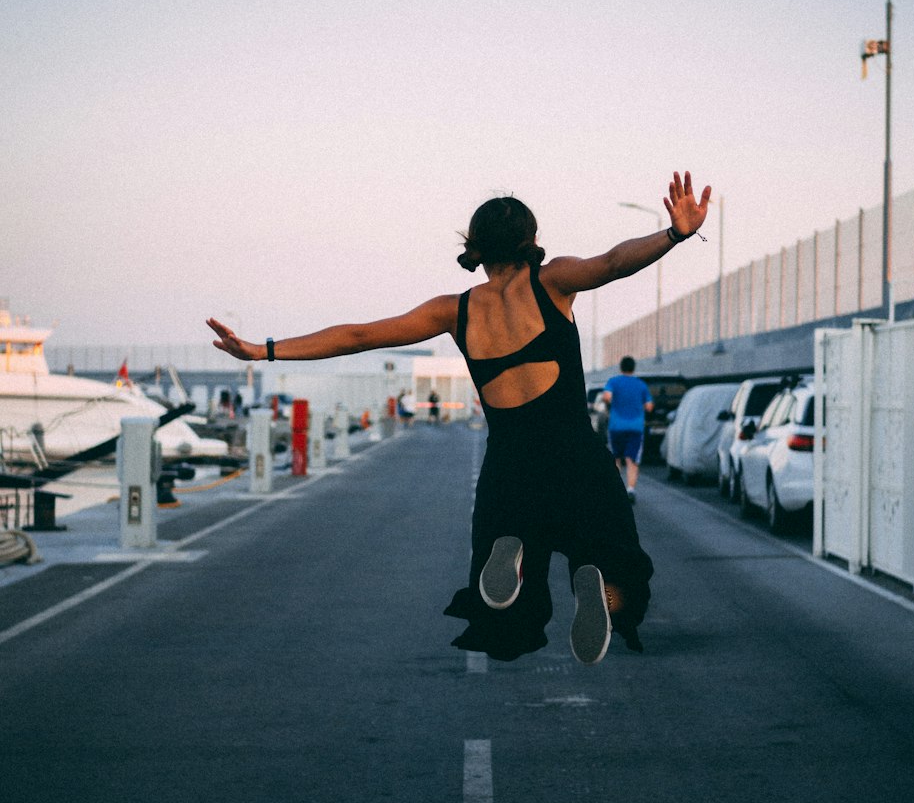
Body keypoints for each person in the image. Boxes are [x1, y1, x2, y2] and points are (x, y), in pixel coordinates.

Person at [207, 170, 711, 665]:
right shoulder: (554, 281)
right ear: (531, 240)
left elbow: (359, 335)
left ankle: (511, 552)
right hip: (574, 456)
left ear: (476, 247)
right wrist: (673, 234)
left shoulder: (454, 310)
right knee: (622, 568)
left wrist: (263, 350)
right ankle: (599, 589)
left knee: (508, 622)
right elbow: (615, 262)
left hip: (508, 470)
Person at [603, 356, 653, 503]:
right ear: (633, 367)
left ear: (621, 367)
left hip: (616, 427)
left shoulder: (613, 381)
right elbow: (649, 406)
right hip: (635, 428)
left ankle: (617, 490)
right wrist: (639, 406)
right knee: (632, 459)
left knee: (616, 458)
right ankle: (630, 489)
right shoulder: (641, 385)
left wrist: (615, 402)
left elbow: (607, 397)